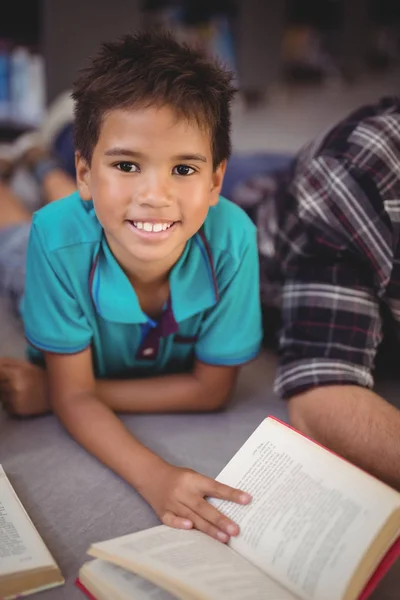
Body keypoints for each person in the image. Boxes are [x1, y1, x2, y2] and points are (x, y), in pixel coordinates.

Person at [0, 30, 262, 542]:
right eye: (126, 165)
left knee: (110, 212)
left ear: (215, 183)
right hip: (47, 251)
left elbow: (211, 391)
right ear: (87, 170)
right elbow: (76, 397)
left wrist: (55, 394)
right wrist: (156, 476)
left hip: (92, 220)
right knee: (14, 235)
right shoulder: (53, 242)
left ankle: (34, 159)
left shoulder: (234, 240)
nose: (155, 195)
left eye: (183, 168)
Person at [231, 97, 400, 491]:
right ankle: (68, 131)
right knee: (167, 162)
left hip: (307, 180)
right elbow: (321, 395)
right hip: (267, 222)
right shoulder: (362, 168)